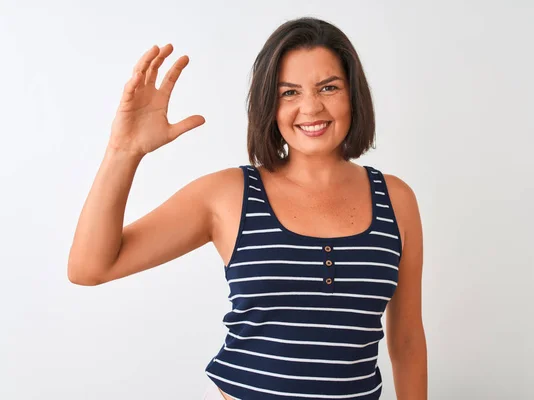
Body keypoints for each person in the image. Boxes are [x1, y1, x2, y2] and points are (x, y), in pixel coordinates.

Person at [68, 17, 427, 400]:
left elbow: (406, 341)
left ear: (353, 94)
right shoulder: (229, 194)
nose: (311, 106)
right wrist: (123, 151)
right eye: (289, 92)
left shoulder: (395, 199)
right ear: (268, 104)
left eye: (329, 87)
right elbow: (90, 268)